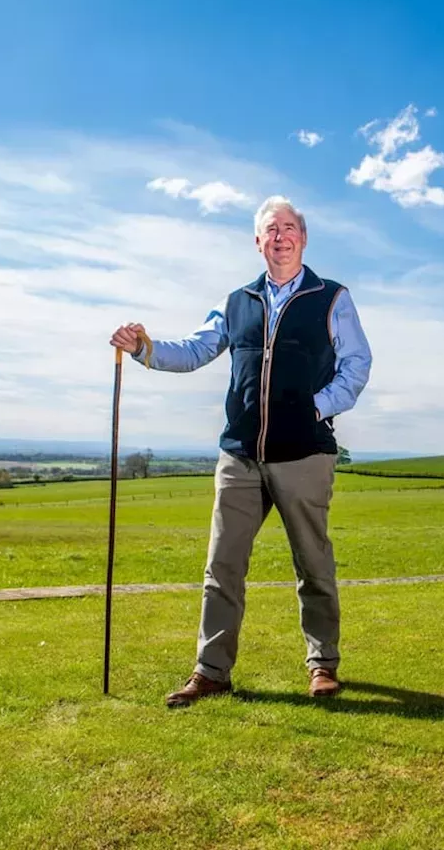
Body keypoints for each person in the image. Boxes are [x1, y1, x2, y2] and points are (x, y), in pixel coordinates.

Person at [110, 196, 372, 708]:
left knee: (312, 563)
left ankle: (323, 665)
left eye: (289, 228)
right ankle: (211, 672)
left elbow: (357, 365)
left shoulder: (333, 297)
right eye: (271, 229)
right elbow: (194, 350)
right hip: (240, 456)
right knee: (221, 566)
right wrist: (144, 346)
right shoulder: (236, 302)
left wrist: (317, 407)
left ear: (303, 238)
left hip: (304, 454)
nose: (280, 237)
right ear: (257, 241)